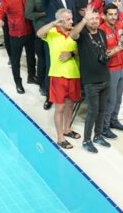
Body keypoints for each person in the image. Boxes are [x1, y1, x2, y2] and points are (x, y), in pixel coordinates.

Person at [69, 5, 113, 153]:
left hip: (105, 77)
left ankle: (98, 135)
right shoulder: (82, 34)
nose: (94, 21)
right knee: (92, 111)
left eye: (96, 18)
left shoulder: (101, 33)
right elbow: (72, 35)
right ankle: (86, 140)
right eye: (91, 19)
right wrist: (83, 20)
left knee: (102, 109)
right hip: (91, 81)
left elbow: (103, 52)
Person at [37, 8, 82, 150]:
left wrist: (71, 54)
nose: (71, 21)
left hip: (74, 74)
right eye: (68, 19)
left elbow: (82, 50)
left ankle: (67, 129)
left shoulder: (76, 33)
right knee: (60, 107)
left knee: (70, 105)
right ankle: (60, 137)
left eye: (71, 18)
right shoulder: (52, 33)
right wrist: (53, 23)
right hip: (57, 75)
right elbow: (39, 33)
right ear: (60, 21)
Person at [0, 0, 37, 94]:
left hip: (30, 31)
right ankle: (18, 82)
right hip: (16, 33)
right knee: (15, 60)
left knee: (31, 56)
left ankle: (32, 76)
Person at [98, 4, 123, 140]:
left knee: (118, 98)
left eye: (115, 14)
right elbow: (102, 54)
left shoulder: (119, 27)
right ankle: (104, 127)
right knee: (110, 100)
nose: (113, 17)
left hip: (122, 66)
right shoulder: (101, 31)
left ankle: (113, 120)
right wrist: (117, 49)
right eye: (110, 14)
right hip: (110, 69)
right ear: (104, 16)